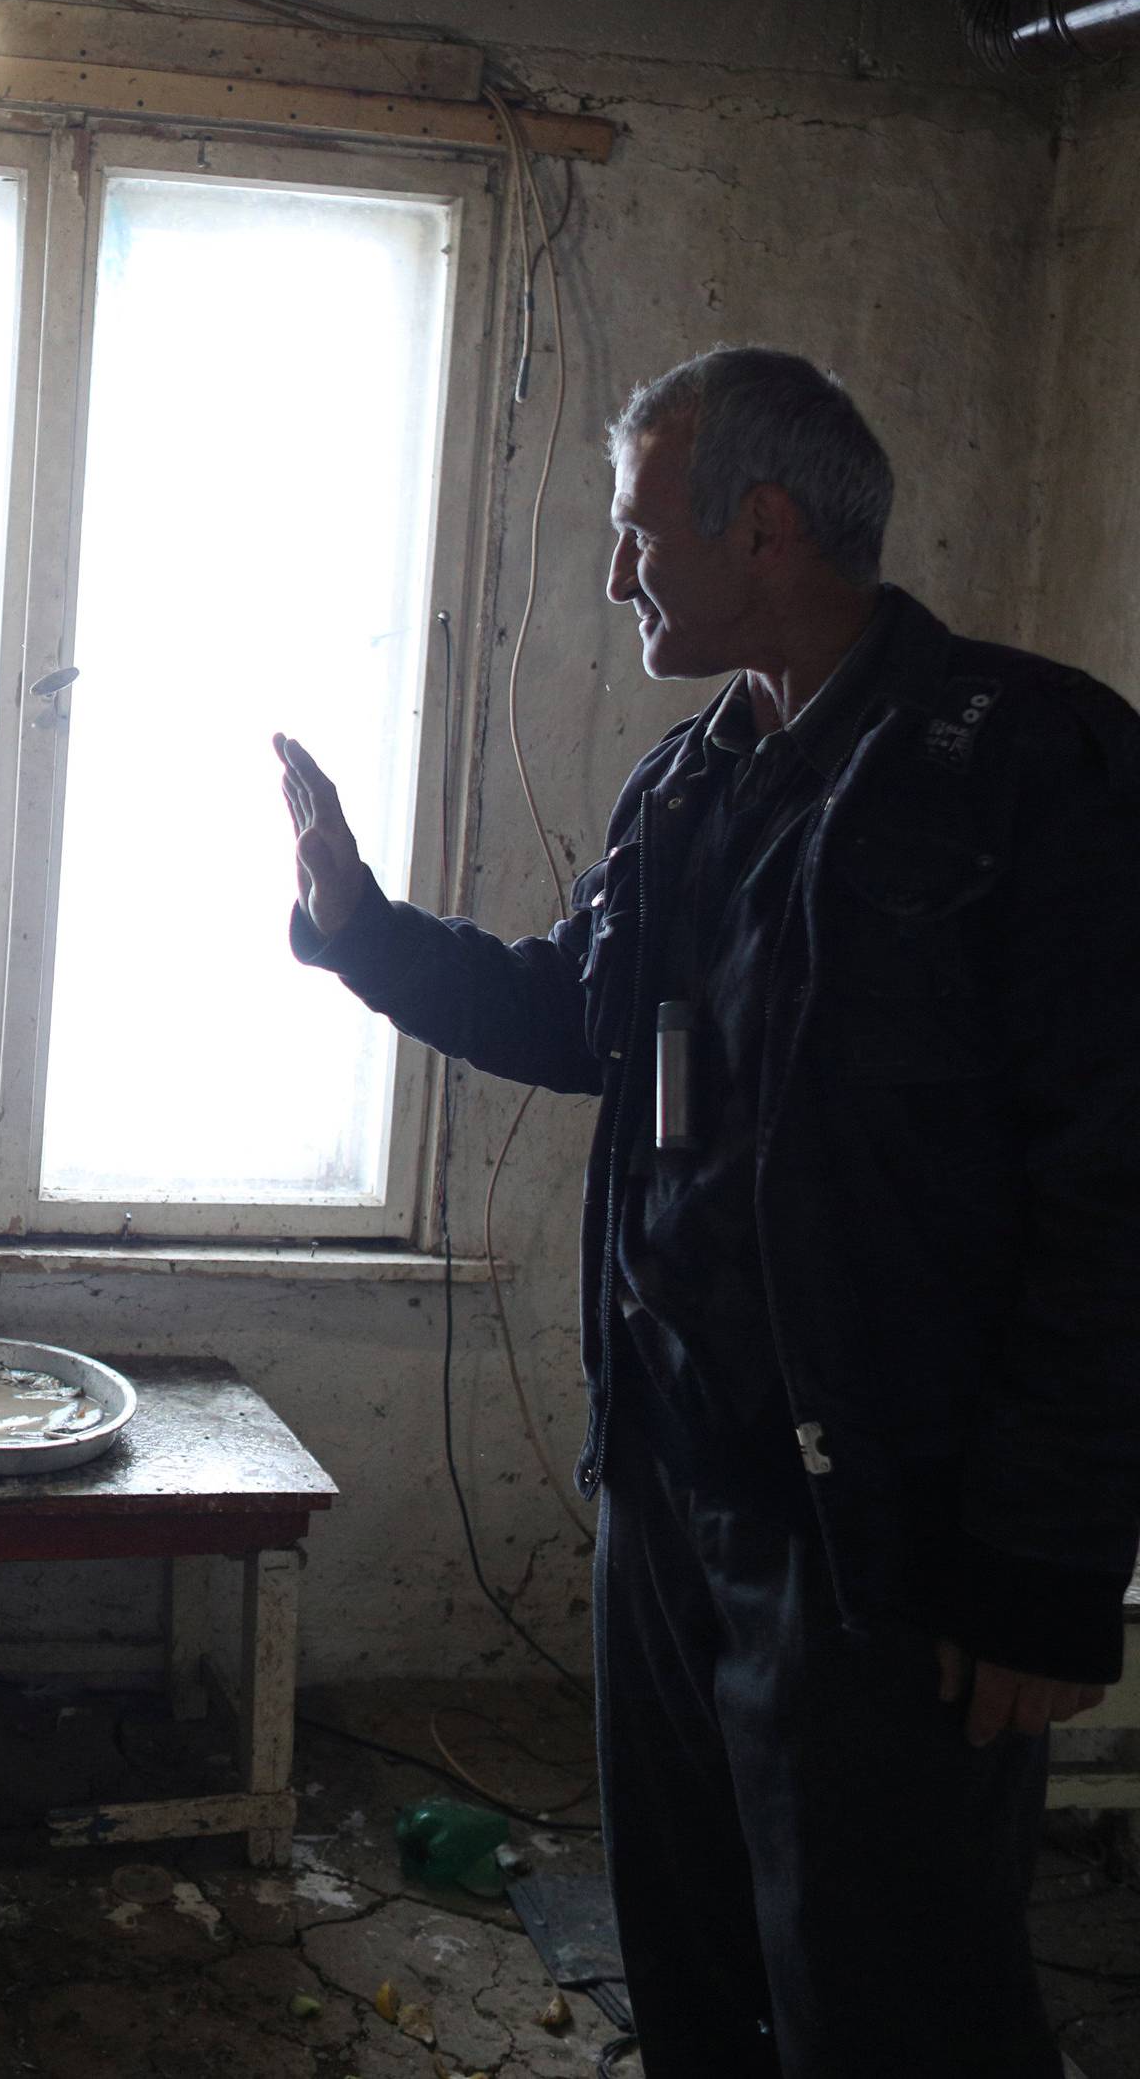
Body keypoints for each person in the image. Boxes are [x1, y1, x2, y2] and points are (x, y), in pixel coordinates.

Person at [275, 346, 1140, 2079]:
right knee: (695, 1947)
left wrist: (1047, 1573)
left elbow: (1109, 1188)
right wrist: (362, 930)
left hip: (882, 1529)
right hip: (673, 1484)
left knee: (892, 1990)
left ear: (761, 527)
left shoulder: (1031, 764)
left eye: (633, 531)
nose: (613, 577)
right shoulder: (691, 781)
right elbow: (572, 1017)